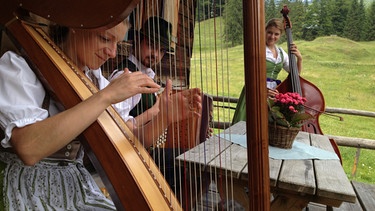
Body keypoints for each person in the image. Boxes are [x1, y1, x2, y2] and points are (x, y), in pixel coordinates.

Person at [0, 15, 163, 210]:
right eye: (105, 39)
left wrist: (165, 116)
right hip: (27, 188)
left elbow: (127, 137)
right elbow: (28, 149)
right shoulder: (19, 67)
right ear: (76, 25)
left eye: (117, 43)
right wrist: (105, 96)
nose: (112, 53)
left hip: (76, 187)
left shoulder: (94, 80)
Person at [232, 18, 303, 124]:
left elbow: (295, 74)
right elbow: (250, 75)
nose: (272, 37)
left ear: (280, 35)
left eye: (276, 34)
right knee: (248, 124)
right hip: (254, 91)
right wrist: (263, 90)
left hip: (272, 95)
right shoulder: (258, 48)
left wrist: (299, 59)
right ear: (264, 31)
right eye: (269, 32)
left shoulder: (281, 52)